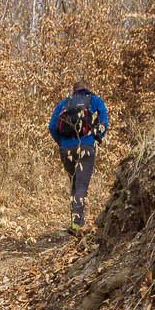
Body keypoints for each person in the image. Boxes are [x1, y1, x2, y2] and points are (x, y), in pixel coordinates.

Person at [49, 82, 110, 233]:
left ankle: (75, 219)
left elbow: (51, 126)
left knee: (74, 183)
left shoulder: (64, 104)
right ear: (87, 89)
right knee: (81, 185)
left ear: (73, 91)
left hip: (66, 149)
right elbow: (104, 122)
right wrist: (97, 137)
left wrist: (62, 143)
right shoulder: (95, 101)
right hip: (86, 146)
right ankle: (77, 222)